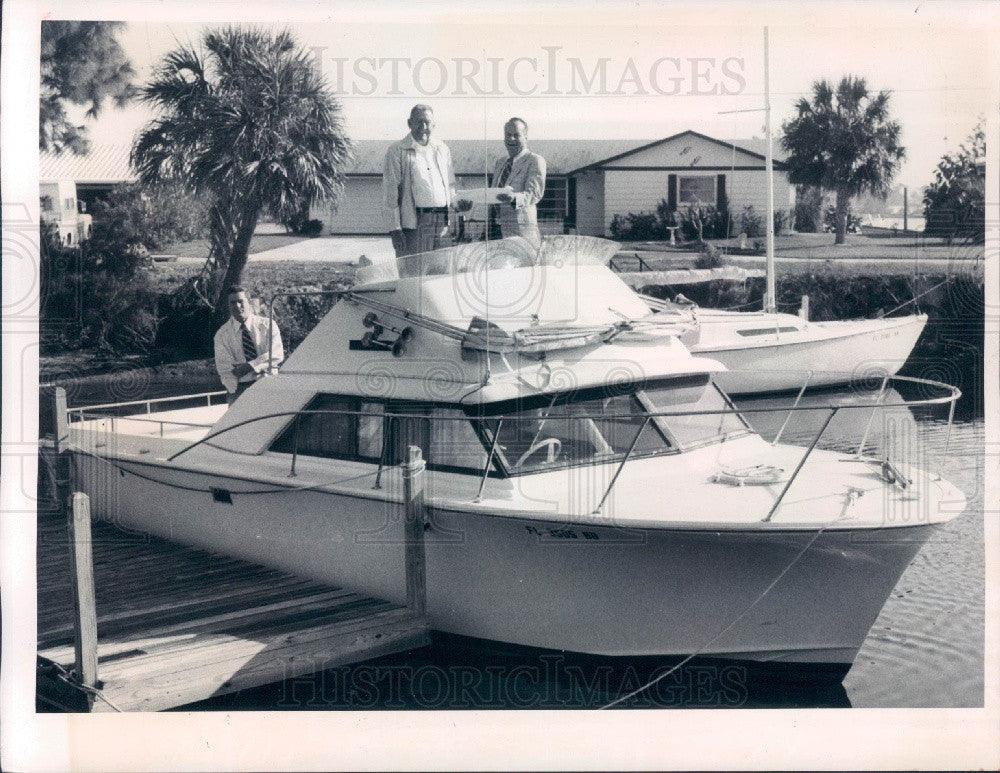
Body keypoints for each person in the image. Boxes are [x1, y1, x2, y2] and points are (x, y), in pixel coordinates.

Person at [383, 104, 464, 257]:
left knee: (439, 274)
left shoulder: (442, 149)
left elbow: (450, 185)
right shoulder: (397, 150)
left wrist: (458, 203)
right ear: (409, 123)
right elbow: (390, 191)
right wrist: (395, 229)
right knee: (413, 275)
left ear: (434, 125)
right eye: (418, 121)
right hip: (414, 223)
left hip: (442, 223)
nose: (423, 126)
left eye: (427, 122)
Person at [214, 286, 284, 403]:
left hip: (269, 385)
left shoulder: (268, 325)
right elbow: (225, 368)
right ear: (228, 305)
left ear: (249, 302)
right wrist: (262, 363)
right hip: (238, 391)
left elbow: (276, 355)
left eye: (241, 301)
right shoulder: (221, 335)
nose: (237, 306)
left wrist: (249, 366)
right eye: (232, 303)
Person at [493, 118, 547, 244]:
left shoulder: (535, 160)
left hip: (523, 231)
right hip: (500, 229)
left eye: (516, 135)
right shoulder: (500, 163)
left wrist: (514, 198)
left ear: (526, 137)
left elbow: (534, 194)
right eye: (508, 135)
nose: (511, 139)